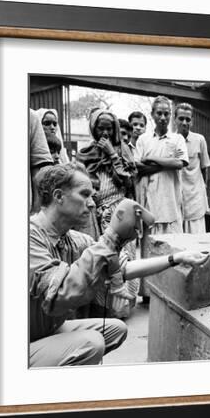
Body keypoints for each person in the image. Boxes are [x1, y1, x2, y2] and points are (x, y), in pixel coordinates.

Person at [29, 163, 210, 367]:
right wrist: (111, 237)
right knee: (92, 343)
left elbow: (123, 270)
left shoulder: (73, 239)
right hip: (24, 345)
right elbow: (59, 295)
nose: (92, 203)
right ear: (59, 196)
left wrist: (176, 258)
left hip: (49, 330)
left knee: (115, 329)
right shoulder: (29, 237)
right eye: (84, 194)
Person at [77, 110, 138, 317]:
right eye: (100, 128)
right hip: (97, 213)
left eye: (109, 128)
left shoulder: (123, 151)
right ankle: (105, 309)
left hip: (121, 211)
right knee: (103, 260)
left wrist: (112, 154)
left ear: (115, 130)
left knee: (124, 258)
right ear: (93, 129)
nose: (104, 132)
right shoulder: (86, 153)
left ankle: (123, 308)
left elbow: (129, 181)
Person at [134, 96, 188, 234]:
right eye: (159, 113)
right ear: (152, 114)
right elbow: (138, 167)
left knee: (174, 251)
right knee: (151, 252)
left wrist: (151, 158)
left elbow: (179, 163)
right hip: (149, 205)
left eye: (166, 113)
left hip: (171, 206)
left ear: (170, 115)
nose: (163, 117)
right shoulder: (143, 140)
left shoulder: (177, 139)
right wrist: (166, 165)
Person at [174, 103, 210, 234]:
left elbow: (204, 168)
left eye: (188, 119)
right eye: (181, 118)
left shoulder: (199, 140)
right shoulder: (170, 140)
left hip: (195, 197)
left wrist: (202, 190)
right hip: (176, 196)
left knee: (197, 236)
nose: (184, 122)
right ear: (175, 120)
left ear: (192, 121)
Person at [29, 109, 54, 214]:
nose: (52, 127)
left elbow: (39, 168)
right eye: (47, 123)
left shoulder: (30, 117)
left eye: (54, 124)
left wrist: (36, 211)